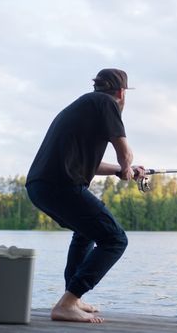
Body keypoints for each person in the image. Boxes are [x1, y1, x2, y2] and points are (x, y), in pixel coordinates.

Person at [25, 68, 145, 323]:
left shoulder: (86, 105)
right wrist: (126, 167)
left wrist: (121, 172)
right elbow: (124, 153)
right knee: (115, 239)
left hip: (40, 186)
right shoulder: (107, 103)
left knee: (86, 231)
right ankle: (66, 303)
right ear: (122, 93)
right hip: (61, 185)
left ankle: (73, 298)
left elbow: (93, 164)